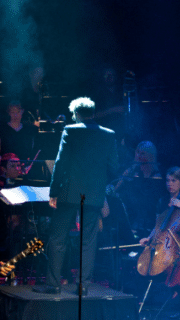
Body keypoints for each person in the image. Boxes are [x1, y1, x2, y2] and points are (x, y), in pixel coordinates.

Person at [41, 97, 118, 294]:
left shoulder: (70, 130)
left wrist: (54, 191)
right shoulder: (109, 135)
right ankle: (83, 286)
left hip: (68, 193)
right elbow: (114, 167)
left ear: (76, 114)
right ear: (92, 113)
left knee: (58, 238)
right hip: (93, 196)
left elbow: (61, 162)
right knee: (88, 241)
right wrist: (98, 185)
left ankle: (52, 285)